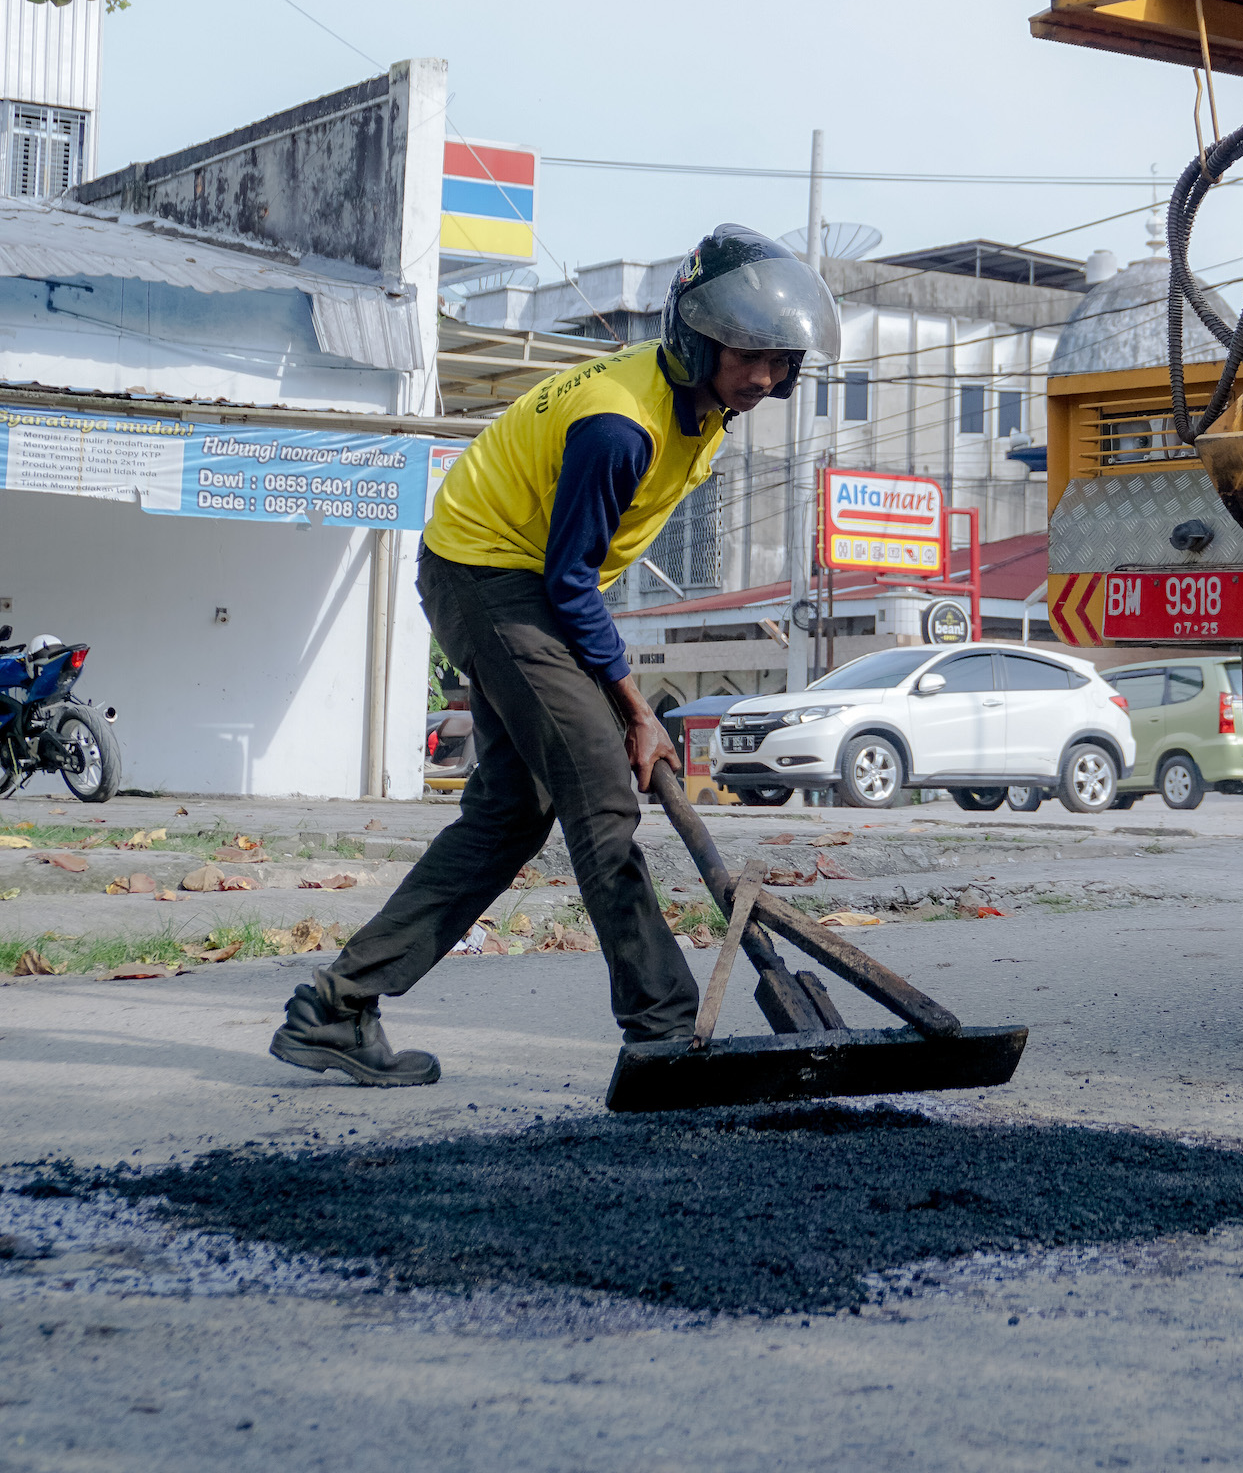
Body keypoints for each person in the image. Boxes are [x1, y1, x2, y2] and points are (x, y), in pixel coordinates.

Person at [269, 224, 840, 1084]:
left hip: (521, 578)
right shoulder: (620, 427)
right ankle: (664, 1031)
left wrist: (616, 697)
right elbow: (571, 580)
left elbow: (572, 578)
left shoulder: (701, 410)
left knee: (511, 814)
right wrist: (635, 709)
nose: (762, 376)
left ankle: (337, 1008)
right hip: (489, 574)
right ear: (697, 341)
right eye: (746, 354)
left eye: (778, 360)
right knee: (602, 797)